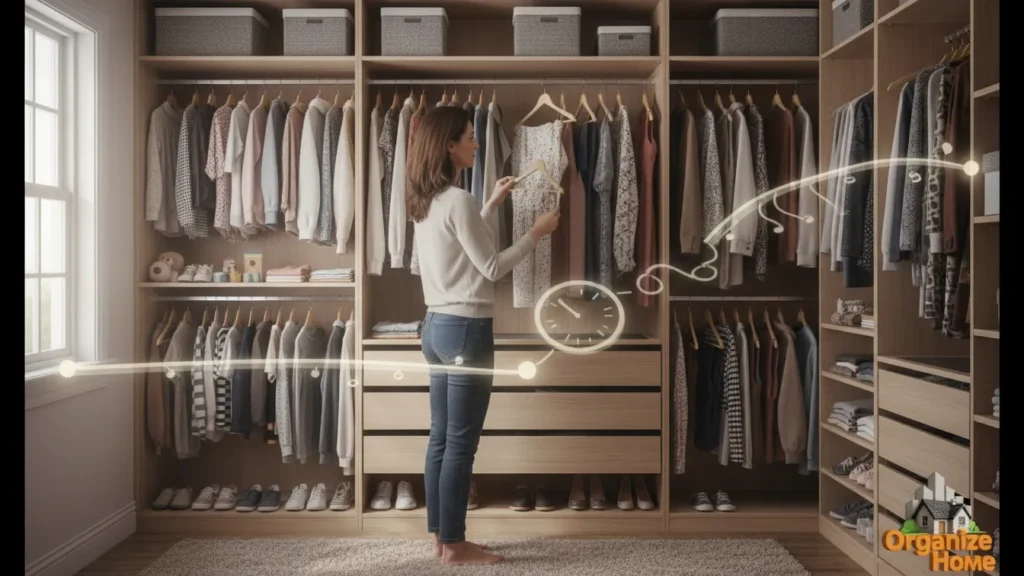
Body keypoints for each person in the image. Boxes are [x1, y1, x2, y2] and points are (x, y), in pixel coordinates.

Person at [407, 106, 560, 565]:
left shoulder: (427, 200)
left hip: (435, 327)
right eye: (471, 137)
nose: (477, 144)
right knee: (460, 443)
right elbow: (490, 267)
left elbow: (460, 247)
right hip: (466, 330)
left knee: (440, 437)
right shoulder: (456, 200)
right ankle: (454, 544)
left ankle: (440, 536)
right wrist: (536, 233)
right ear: (449, 145)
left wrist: (490, 204)